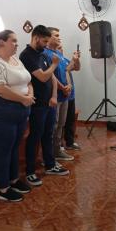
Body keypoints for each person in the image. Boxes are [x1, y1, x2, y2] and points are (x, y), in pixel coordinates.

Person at [0, 30, 34, 202]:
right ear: (2, 42)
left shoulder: (15, 59)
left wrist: (28, 96)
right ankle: (3, 188)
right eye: (14, 41)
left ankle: (13, 180)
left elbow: (28, 80)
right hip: (0, 111)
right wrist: (23, 99)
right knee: (4, 149)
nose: (17, 44)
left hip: (19, 110)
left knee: (14, 146)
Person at [19, 26, 69, 187]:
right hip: (37, 104)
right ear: (36, 38)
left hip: (49, 103)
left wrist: (54, 96)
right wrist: (55, 64)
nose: (47, 44)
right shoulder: (27, 55)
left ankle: (50, 164)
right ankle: (30, 171)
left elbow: (52, 78)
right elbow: (41, 77)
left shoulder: (42, 54)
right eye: (45, 41)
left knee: (48, 133)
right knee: (35, 137)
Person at [44, 27, 74, 161]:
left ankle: (57, 150)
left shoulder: (59, 53)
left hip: (65, 94)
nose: (59, 37)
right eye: (56, 35)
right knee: (54, 125)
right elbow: (51, 75)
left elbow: (65, 70)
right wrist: (62, 88)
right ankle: (50, 154)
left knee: (61, 123)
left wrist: (69, 85)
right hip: (54, 95)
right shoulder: (45, 53)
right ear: (48, 38)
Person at [58, 44, 81, 151]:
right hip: (62, 95)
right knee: (60, 122)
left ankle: (70, 142)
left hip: (71, 95)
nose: (61, 49)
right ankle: (59, 144)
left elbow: (77, 68)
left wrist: (76, 60)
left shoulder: (65, 59)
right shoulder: (56, 61)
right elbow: (65, 70)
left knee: (70, 120)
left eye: (62, 47)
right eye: (58, 48)